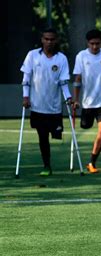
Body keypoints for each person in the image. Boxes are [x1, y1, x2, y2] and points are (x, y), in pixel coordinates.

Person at [20, 28, 72, 176]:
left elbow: (63, 82)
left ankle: (49, 162)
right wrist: (25, 97)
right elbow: (26, 79)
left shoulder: (61, 58)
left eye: (52, 39)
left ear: (56, 41)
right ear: (42, 40)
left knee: (56, 135)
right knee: (42, 137)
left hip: (54, 108)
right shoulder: (32, 56)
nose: (49, 42)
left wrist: (68, 98)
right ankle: (46, 165)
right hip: (37, 106)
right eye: (46, 39)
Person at [72, 29, 101, 173]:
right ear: (87, 43)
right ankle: (92, 159)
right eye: (92, 44)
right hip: (87, 102)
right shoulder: (81, 56)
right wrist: (76, 100)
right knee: (86, 126)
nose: (94, 47)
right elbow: (77, 80)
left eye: (97, 43)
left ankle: (92, 162)